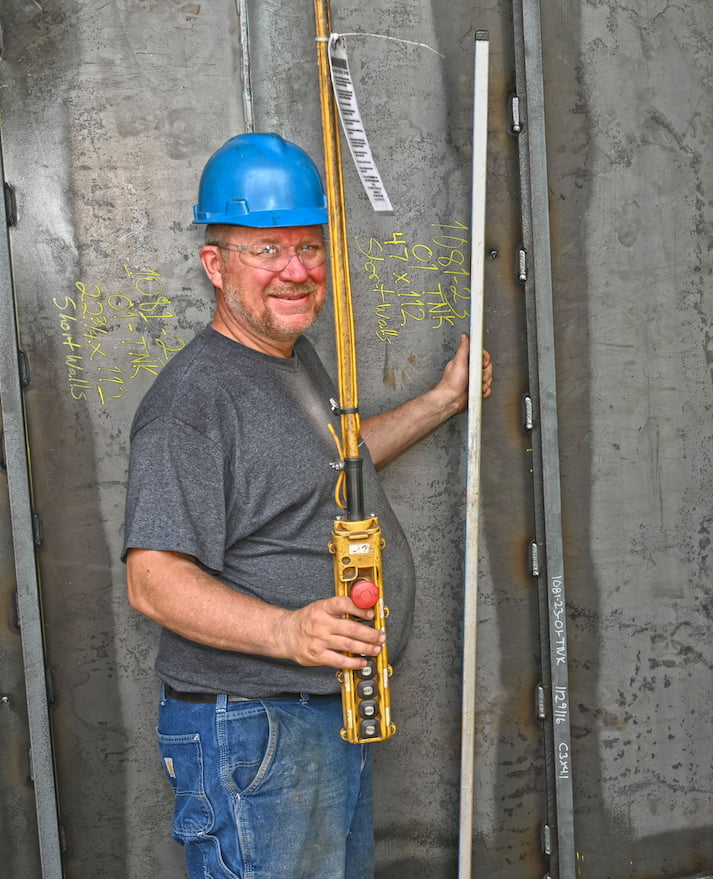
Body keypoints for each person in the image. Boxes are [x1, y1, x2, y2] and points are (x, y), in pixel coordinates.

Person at [123, 132, 492, 878]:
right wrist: (290, 629)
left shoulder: (291, 358)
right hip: (255, 730)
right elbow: (152, 578)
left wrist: (441, 402)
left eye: (309, 248)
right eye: (266, 250)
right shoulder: (193, 402)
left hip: (319, 715)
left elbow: (332, 464)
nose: (295, 271)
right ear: (215, 265)